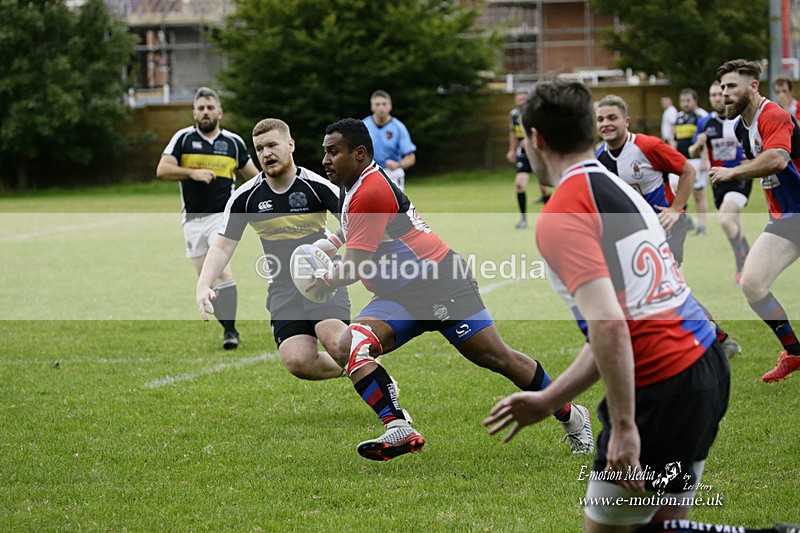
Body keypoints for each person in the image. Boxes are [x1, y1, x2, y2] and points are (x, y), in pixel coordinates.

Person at [484, 79, 730, 532]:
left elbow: (610, 326)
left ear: (536, 139)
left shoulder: (564, 211)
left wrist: (624, 426)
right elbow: (616, 326)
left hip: (663, 383)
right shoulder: (617, 186)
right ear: (590, 129)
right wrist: (549, 400)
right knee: (660, 523)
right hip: (704, 366)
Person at [309, 117, 594, 461]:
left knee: (497, 358)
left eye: (333, 152)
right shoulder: (353, 184)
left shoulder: (369, 190)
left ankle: (573, 416)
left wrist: (323, 280)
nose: (325, 160)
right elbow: (355, 224)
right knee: (351, 344)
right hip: (399, 295)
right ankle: (398, 426)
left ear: (358, 153)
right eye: (325, 152)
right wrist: (331, 243)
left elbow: (354, 265)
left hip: (441, 284)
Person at [195, 118, 350, 379]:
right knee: (298, 361)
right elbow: (222, 246)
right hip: (282, 284)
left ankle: (369, 373)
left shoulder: (317, 186)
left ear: (290, 145)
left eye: (272, 145)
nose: (266, 153)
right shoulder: (246, 197)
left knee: (335, 343)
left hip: (322, 277)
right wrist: (203, 284)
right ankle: (359, 364)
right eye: (259, 148)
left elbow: (356, 223)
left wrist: (333, 244)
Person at [595, 94, 741, 360]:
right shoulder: (600, 157)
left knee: (663, 285)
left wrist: (676, 209)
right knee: (659, 287)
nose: (606, 124)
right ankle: (715, 338)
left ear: (626, 121)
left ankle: (712, 339)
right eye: (601, 119)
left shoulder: (647, 146)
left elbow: (688, 170)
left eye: (612, 118)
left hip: (667, 225)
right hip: (638, 234)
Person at [710, 59, 800, 382]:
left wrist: (733, 172)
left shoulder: (773, 115)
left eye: (732, 86)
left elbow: (777, 159)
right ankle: (794, 353)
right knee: (752, 284)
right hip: (787, 221)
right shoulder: (740, 127)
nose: (725, 93)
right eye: (722, 87)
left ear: (753, 86)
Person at [157, 87, 260, 350]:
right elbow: (163, 169)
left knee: (222, 271)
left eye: (210, 108)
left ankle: (230, 332)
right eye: (201, 108)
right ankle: (228, 328)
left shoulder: (233, 143)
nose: (205, 112)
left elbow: (255, 177)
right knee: (207, 279)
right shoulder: (183, 138)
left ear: (219, 112)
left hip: (221, 218)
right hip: (192, 220)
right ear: (194, 113)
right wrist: (192, 173)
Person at [688, 81, 752, 283]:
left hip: (740, 177)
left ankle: (743, 259)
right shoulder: (705, 122)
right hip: (717, 180)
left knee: (724, 219)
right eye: (713, 95)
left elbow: (755, 143)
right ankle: (747, 264)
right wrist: (698, 145)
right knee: (734, 223)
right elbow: (691, 152)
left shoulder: (740, 120)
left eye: (719, 94)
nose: (717, 98)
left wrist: (749, 160)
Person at [508, 91, 552, 229]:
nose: (521, 100)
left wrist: (531, 142)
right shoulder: (514, 114)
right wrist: (512, 150)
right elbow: (513, 132)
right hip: (523, 153)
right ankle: (523, 220)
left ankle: (550, 219)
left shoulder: (535, 113)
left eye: (523, 98)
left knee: (544, 188)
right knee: (519, 184)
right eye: (518, 98)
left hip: (537, 151)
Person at [671, 88, 709, 236]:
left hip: (697, 160)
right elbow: (674, 140)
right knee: (676, 190)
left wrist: (705, 160)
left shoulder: (702, 116)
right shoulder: (678, 118)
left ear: (695, 101)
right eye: (682, 101)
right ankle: (684, 221)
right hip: (681, 161)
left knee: (698, 193)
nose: (685, 104)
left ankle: (702, 226)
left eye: (688, 100)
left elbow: (706, 140)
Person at [362, 90, 416, 191]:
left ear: (390, 106)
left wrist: (398, 165)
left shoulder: (398, 127)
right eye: (377, 104)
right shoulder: (363, 126)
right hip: (368, 171)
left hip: (392, 173)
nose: (381, 107)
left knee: (394, 201)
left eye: (384, 104)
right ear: (372, 106)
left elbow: (410, 157)